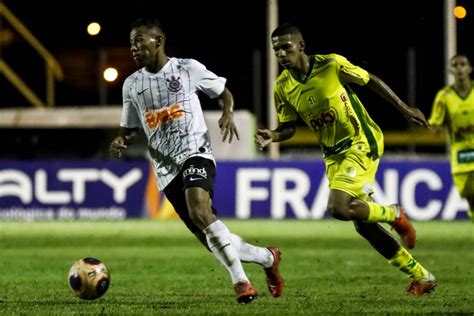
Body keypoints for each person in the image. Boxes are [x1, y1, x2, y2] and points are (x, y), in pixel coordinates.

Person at [110, 18, 283, 304]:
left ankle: (241, 282)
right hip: (165, 169)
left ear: (158, 40)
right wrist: (121, 139)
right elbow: (128, 127)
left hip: (196, 151)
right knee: (210, 235)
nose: (133, 48)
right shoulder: (132, 85)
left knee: (200, 210)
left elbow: (223, 92)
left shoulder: (187, 68)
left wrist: (227, 112)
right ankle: (267, 257)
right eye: (131, 43)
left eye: (139, 40)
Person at [254, 23, 436, 296]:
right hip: (333, 155)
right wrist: (273, 135)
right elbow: (289, 127)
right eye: (276, 49)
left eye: (286, 47)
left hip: (361, 141)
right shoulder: (282, 86)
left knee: (338, 207)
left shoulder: (331, 64)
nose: (280, 53)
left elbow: (369, 80)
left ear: (301, 46)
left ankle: (393, 214)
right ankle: (422, 277)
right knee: (365, 227)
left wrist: (403, 107)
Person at [428, 54, 474, 221]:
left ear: (469, 69)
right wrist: (436, 128)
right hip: (460, 153)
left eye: (463, 64)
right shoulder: (444, 96)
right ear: (451, 70)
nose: (460, 68)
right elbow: (435, 124)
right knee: (470, 197)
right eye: (456, 65)